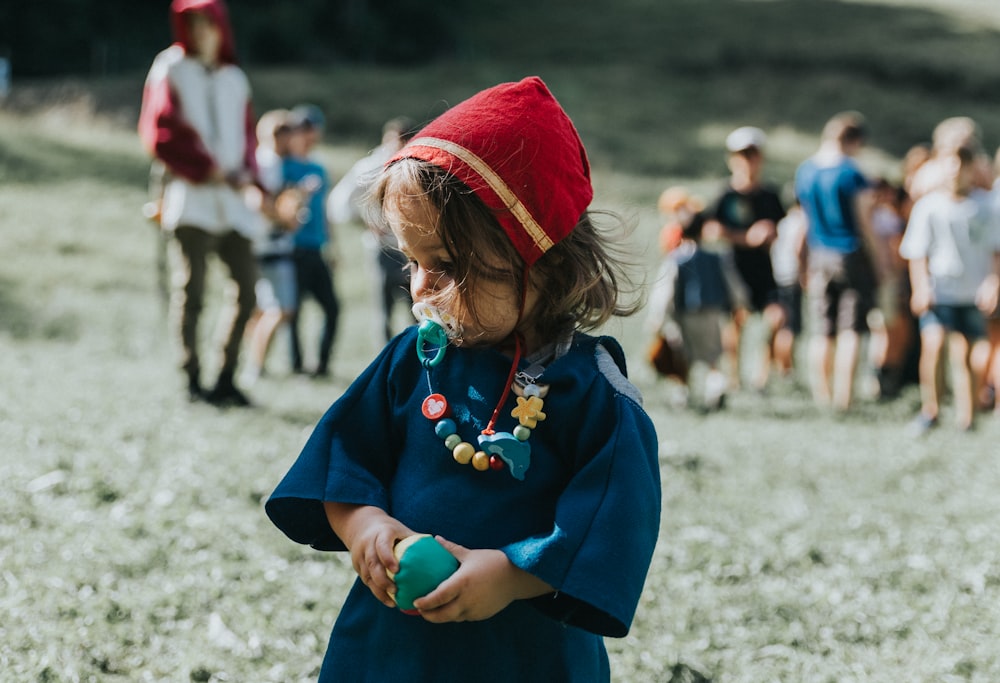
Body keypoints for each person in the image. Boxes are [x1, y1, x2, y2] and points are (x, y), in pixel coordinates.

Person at [265, 77, 661, 682]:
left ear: (546, 260)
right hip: (392, 649)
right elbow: (343, 458)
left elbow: (609, 524)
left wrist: (509, 573)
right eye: (412, 261)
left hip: (525, 657)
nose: (419, 287)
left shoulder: (593, 394)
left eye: (446, 267)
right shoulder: (413, 359)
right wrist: (365, 526)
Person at [137, 0, 259, 406]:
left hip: (232, 202)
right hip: (190, 197)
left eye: (208, 23)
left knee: (246, 292)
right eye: (193, 24)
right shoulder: (171, 67)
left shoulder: (233, 78)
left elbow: (248, 138)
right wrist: (205, 168)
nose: (201, 32)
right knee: (191, 291)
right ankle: (191, 377)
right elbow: (161, 129)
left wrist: (250, 178)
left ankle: (226, 376)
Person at [900, 143, 1000, 434]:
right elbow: (917, 253)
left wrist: (993, 283)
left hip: (972, 291)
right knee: (933, 345)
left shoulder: (986, 206)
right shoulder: (929, 206)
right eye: (950, 165)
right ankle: (930, 409)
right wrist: (921, 288)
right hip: (939, 289)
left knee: (966, 353)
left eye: (962, 165)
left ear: (971, 169)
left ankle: (966, 417)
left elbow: (995, 250)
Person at [795, 111, 879, 411]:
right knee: (851, 328)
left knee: (823, 328)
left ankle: (822, 395)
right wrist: (881, 261)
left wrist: (801, 262)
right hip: (850, 253)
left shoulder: (805, 171)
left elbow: (803, 223)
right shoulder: (851, 173)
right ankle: (844, 399)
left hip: (819, 254)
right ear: (853, 141)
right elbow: (864, 223)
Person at [703, 126, 785, 392]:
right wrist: (746, 237)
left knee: (775, 320)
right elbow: (711, 231)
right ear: (732, 159)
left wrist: (772, 234)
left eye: (752, 154)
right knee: (737, 324)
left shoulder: (770, 195)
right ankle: (734, 376)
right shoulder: (724, 194)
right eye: (742, 155)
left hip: (766, 268)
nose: (747, 160)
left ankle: (762, 376)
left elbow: (782, 227)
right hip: (733, 267)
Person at [648, 194, 746, 410]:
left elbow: (665, 291)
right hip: (711, 312)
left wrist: (657, 318)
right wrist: (739, 304)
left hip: (683, 314)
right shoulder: (717, 258)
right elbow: (733, 284)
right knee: (712, 354)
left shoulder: (676, 259)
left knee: (683, 355)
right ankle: (716, 387)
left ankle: (683, 394)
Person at [328, 116, 417, 343]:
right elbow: (339, 203)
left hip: (414, 249)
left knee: (417, 310)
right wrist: (366, 222)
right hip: (383, 248)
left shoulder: (416, 165)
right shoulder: (371, 166)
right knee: (384, 312)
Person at [241, 109, 297, 386]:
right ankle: (256, 366)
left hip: (262, 243)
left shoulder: (265, 160)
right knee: (282, 308)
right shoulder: (267, 161)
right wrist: (285, 219)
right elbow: (259, 201)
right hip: (268, 244)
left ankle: (254, 362)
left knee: (262, 309)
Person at [284, 106, 340, 378]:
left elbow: (326, 211)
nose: (311, 135)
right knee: (293, 311)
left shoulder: (318, 168)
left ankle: (321, 366)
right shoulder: (283, 166)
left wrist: (333, 246)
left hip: (316, 248)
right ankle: (296, 366)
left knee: (332, 307)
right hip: (291, 247)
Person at [769, 192, 808, 378]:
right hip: (793, 276)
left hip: (780, 274)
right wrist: (803, 273)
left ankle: (781, 365)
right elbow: (799, 248)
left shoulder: (784, 222)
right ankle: (786, 368)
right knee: (791, 326)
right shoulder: (803, 220)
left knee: (784, 321)